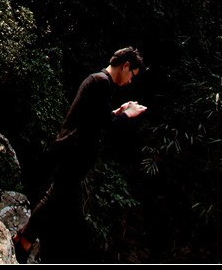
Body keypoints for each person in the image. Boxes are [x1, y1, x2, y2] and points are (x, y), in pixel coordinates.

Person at [12, 46, 147, 263]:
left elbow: (95, 119)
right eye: (132, 75)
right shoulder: (101, 82)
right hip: (75, 152)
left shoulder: (99, 82)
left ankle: (27, 238)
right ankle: (24, 238)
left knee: (59, 200)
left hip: (74, 151)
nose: (130, 81)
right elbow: (103, 125)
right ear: (126, 66)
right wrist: (128, 116)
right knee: (55, 197)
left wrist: (117, 112)